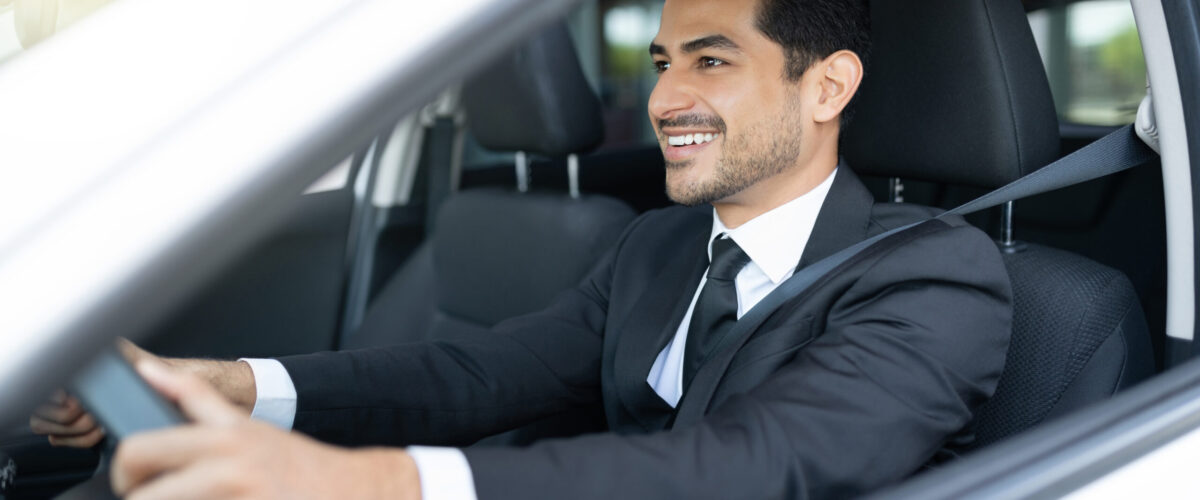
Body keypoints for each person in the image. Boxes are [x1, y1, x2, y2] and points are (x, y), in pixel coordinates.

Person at [31, 0, 1013, 498]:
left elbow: (754, 466)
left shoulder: (936, 277)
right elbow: (480, 373)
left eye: (713, 60)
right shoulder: (660, 245)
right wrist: (239, 385)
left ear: (828, 88)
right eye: (663, 63)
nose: (668, 98)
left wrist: (370, 479)